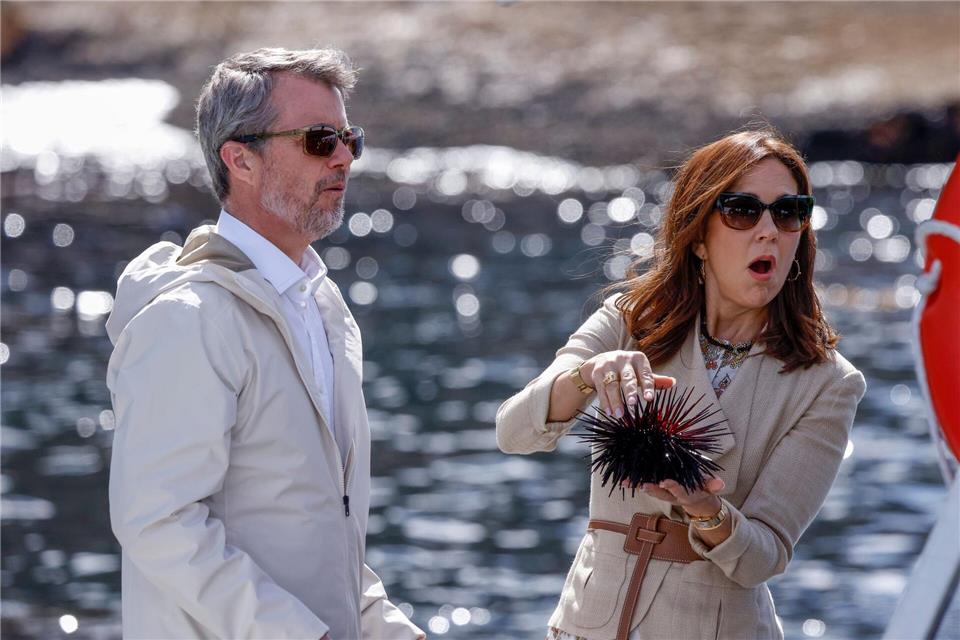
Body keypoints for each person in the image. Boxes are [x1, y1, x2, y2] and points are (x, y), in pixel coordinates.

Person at [105, 47, 425, 640]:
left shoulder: (323, 309)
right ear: (240, 160)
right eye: (318, 140)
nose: (344, 160)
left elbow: (327, 524)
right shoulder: (189, 319)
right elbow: (157, 521)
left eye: (350, 139)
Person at [496, 129, 866, 640]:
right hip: (591, 622)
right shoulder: (630, 319)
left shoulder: (828, 382)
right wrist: (586, 376)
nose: (768, 231)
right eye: (742, 211)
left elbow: (763, 556)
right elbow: (512, 432)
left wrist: (703, 506)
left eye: (788, 213)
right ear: (697, 237)